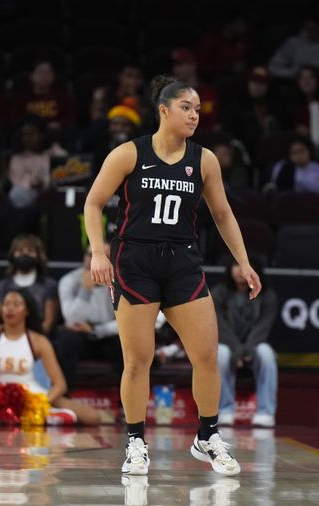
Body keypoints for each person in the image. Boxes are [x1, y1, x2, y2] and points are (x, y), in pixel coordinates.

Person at [84, 75, 262, 477]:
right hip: (135, 261)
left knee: (207, 356)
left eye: (198, 109)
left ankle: (208, 436)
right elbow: (93, 203)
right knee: (138, 360)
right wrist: (98, 251)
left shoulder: (204, 160)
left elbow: (222, 215)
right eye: (186, 107)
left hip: (182, 261)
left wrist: (244, 261)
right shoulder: (129, 154)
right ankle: (135, 442)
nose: (194, 115)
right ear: (163, 110)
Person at [0, 289, 106, 425]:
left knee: (92, 417)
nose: (10, 309)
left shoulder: (39, 341)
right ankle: (42, 419)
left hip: (34, 396)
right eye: (6, 304)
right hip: (0, 399)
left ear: (27, 311)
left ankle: (29, 417)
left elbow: (60, 385)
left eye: (16, 305)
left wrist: (39, 403)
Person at [212, 256, 278, 428]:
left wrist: (246, 351)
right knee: (221, 354)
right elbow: (221, 327)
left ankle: (266, 412)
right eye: (236, 265)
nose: (241, 271)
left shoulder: (267, 296)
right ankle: (224, 409)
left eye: (247, 266)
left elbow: (263, 328)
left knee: (266, 353)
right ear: (229, 269)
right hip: (228, 344)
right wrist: (237, 351)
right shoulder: (219, 293)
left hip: (254, 345)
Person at [55, 246, 121, 390]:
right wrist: (86, 290)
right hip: (79, 333)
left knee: (127, 343)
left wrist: (96, 330)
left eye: (103, 256)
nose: (94, 260)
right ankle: (65, 395)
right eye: (90, 255)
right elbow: (72, 319)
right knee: (67, 339)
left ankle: (124, 404)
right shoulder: (69, 280)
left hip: (107, 333)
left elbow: (124, 323)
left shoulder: (119, 283)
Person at [0, 234, 59, 337]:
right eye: (20, 251)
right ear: (12, 255)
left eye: (30, 251)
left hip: (39, 338)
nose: (25, 254)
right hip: (7, 337)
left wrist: (32, 342)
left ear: (39, 256)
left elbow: (48, 323)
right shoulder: (2, 286)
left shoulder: (49, 286)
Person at [268, 17, 319, 82]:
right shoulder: (294, 42)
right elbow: (273, 67)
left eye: (315, 27)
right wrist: (296, 73)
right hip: (295, 86)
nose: (312, 31)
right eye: (309, 28)